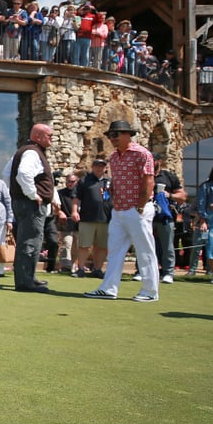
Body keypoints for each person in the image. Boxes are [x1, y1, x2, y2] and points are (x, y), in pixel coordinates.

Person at [85, 120, 160, 302]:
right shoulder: (114, 157)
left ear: (128, 134)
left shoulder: (142, 154)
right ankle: (109, 288)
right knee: (115, 251)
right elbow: (119, 180)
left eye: (116, 135)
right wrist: (112, 190)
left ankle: (150, 291)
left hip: (137, 209)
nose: (112, 138)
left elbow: (148, 181)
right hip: (118, 210)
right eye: (110, 135)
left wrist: (140, 207)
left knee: (144, 251)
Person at [8, 123, 55, 293]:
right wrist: (32, 194)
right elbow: (23, 174)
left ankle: (29, 277)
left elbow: (8, 173)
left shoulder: (27, 151)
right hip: (30, 205)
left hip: (25, 203)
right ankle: (25, 282)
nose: (51, 138)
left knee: (32, 240)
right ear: (37, 136)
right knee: (29, 241)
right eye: (49, 135)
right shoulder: (32, 152)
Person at [71, 159, 110, 278]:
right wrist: (74, 211)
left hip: (106, 218)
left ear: (105, 168)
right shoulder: (84, 181)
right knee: (84, 245)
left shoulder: (110, 181)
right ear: (92, 167)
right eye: (97, 166)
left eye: (102, 166)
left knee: (102, 246)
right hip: (87, 218)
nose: (99, 168)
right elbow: (76, 198)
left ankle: (97, 269)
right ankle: (81, 269)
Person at [151, 154, 185, 284]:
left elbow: (182, 197)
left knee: (167, 246)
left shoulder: (169, 177)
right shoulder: (143, 175)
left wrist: (168, 195)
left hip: (165, 216)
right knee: (146, 245)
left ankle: (168, 272)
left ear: (159, 161)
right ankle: (142, 271)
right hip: (147, 216)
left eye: (153, 160)